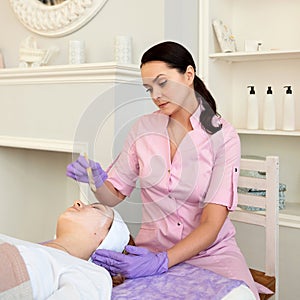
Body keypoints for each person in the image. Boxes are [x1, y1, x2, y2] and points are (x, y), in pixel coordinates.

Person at [66, 41, 259, 299]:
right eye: (149, 88)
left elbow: (212, 224)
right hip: (149, 253)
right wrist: (96, 180)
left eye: (163, 83)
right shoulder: (142, 130)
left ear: (188, 75)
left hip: (210, 255)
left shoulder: (223, 136)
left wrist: (161, 262)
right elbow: (113, 196)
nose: (156, 95)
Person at [0, 200, 130, 299]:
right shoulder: (23, 247)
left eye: (95, 208)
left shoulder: (92, 273)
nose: (77, 202)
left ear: (106, 240)